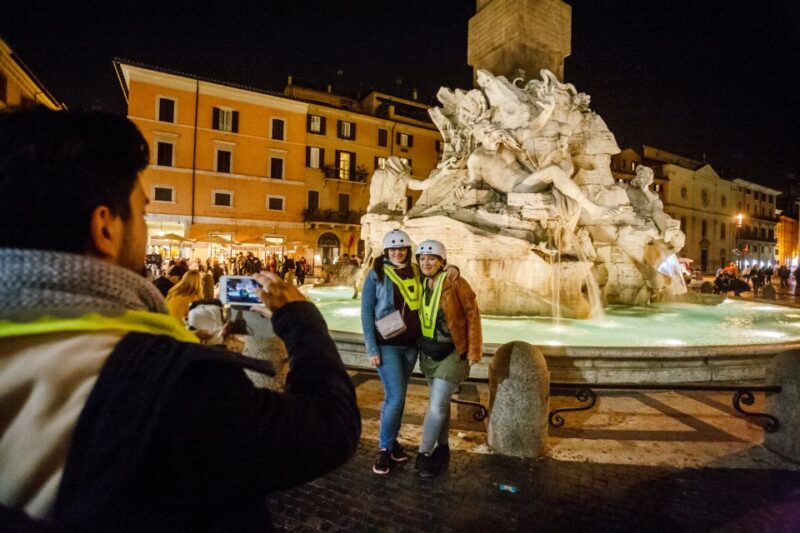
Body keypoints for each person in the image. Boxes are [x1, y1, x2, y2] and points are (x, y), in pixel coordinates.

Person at [0, 107, 360, 531]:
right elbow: (331, 425)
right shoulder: (170, 388)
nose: (145, 228)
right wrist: (300, 316)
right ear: (105, 228)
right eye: (142, 213)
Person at [414, 240, 482, 478]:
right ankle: (442, 448)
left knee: (436, 406)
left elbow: (473, 315)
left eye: (432, 258)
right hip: (429, 353)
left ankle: (423, 454)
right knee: (440, 404)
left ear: (442, 261)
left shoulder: (456, 283)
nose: (426, 263)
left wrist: (474, 350)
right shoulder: (420, 282)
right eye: (422, 258)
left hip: (452, 353)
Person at [361, 230, 422, 475]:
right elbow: (366, 313)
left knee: (400, 396)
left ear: (408, 250)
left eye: (401, 248)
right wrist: (371, 348)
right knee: (394, 397)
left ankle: (393, 442)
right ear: (386, 251)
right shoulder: (376, 274)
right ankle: (384, 449)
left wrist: (453, 271)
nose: (397, 253)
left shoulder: (416, 271)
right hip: (386, 344)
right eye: (393, 249)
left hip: (411, 345)